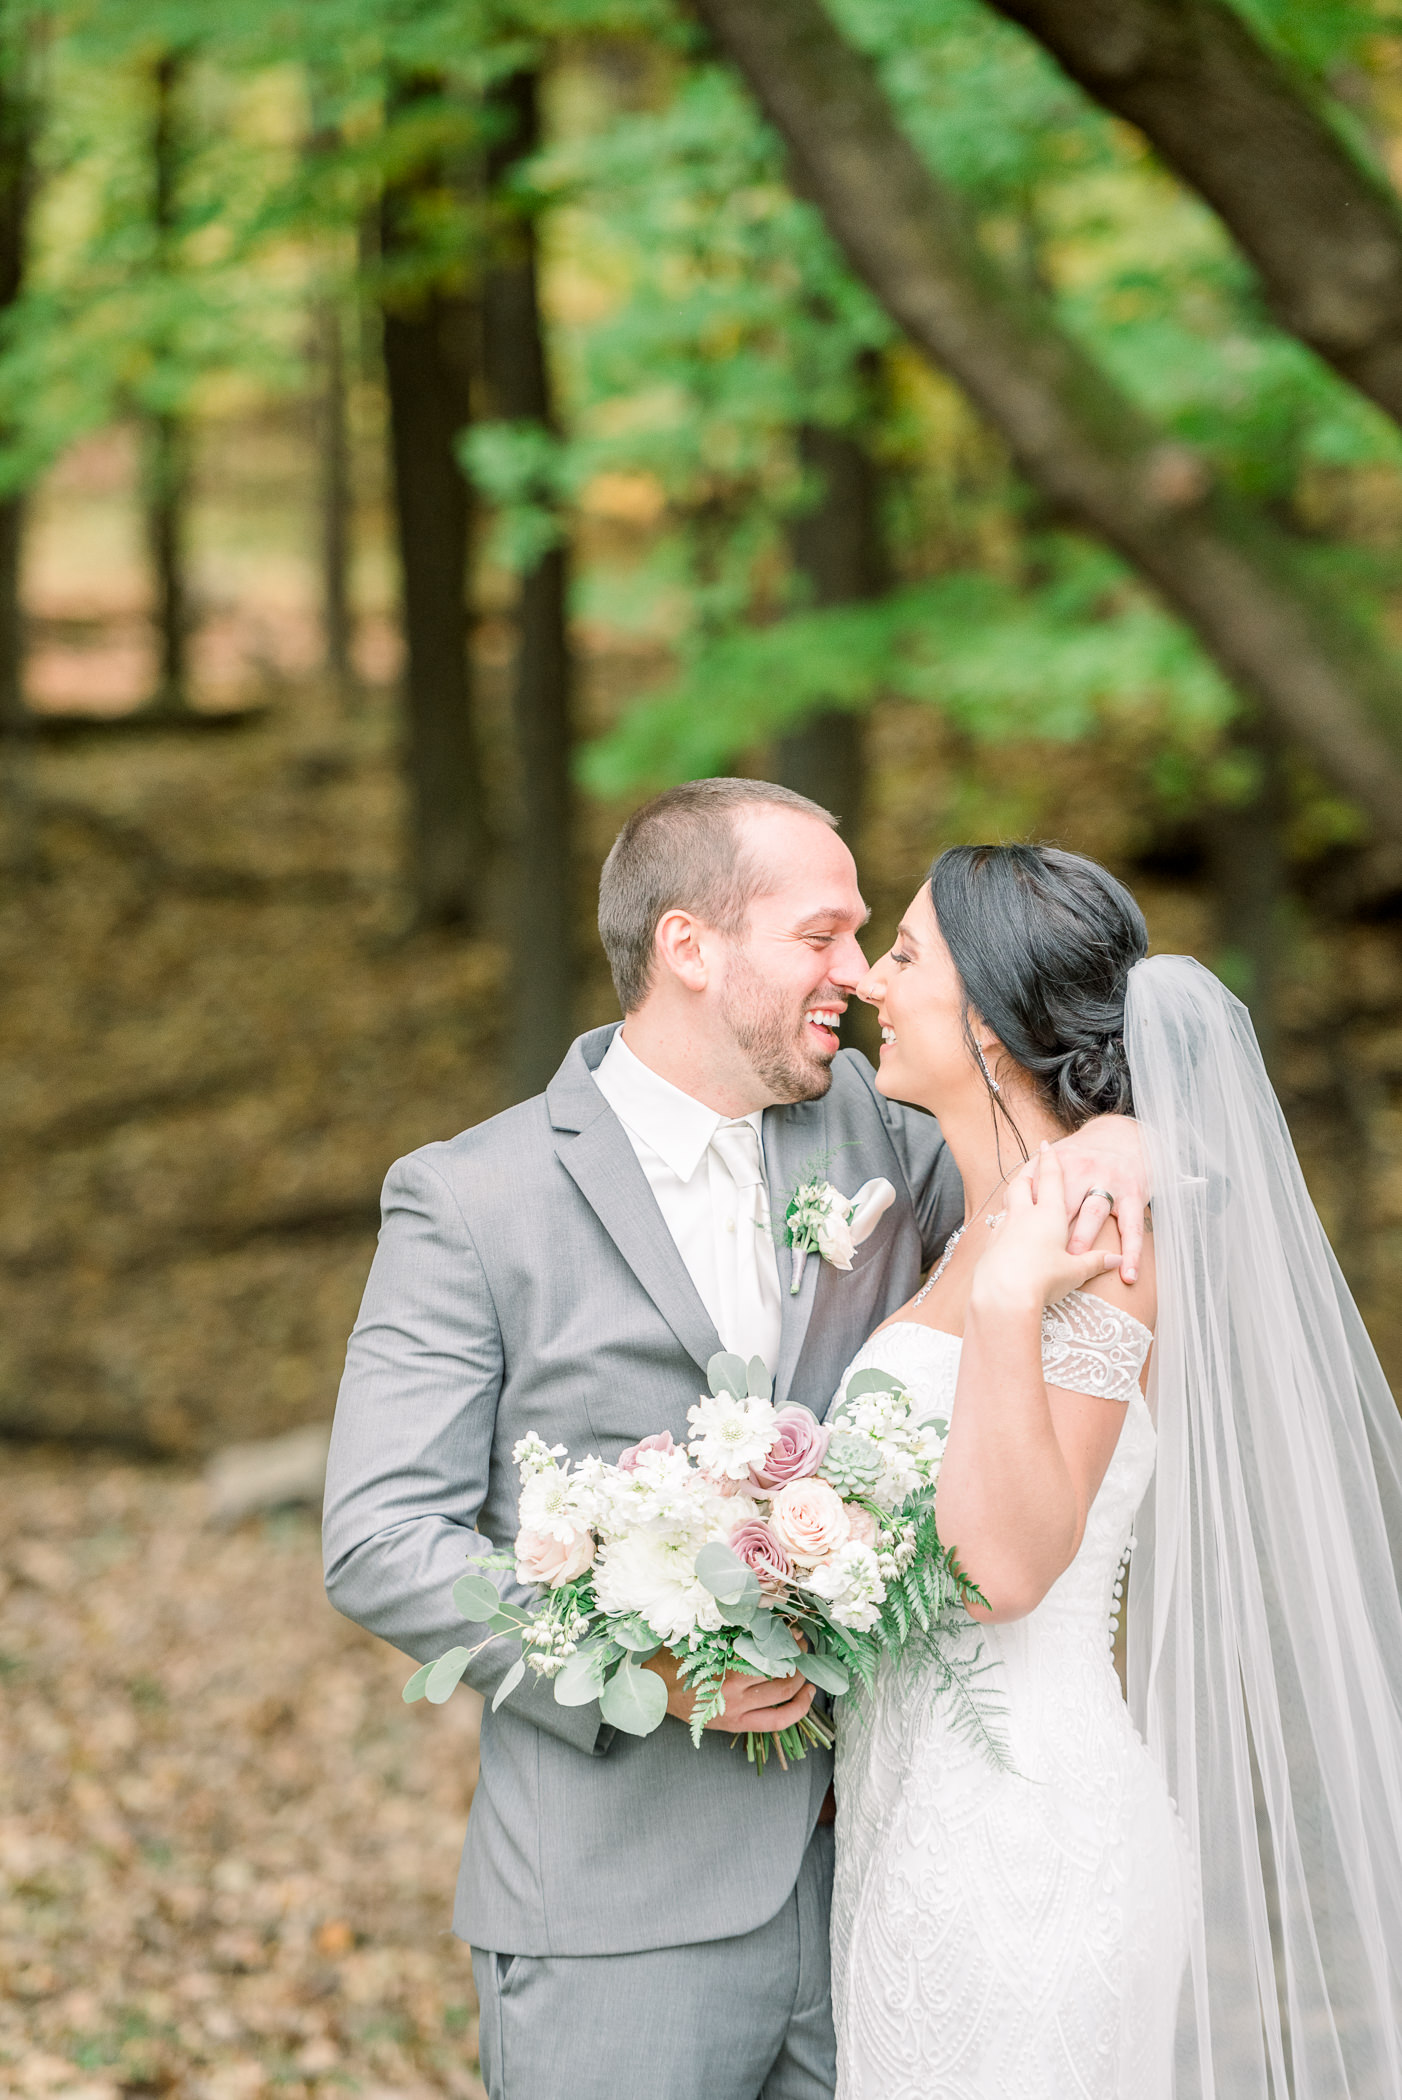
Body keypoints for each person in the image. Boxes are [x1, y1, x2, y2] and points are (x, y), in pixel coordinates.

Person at [321, 782, 1146, 2100]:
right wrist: (641, 1663)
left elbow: (1059, 1149)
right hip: (616, 1918)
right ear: (688, 949)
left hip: (893, 1878)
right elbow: (378, 1540)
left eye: (871, 938)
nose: (858, 976)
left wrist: (1134, 1147)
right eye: (820, 935)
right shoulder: (473, 1199)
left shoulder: (890, 1134)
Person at [831, 842, 1402, 2099]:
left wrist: (1007, 1303)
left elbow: (1000, 1568)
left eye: (907, 954)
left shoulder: (1095, 1235)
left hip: (1021, 1832)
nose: (874, 976)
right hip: (908, 1807)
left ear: (988, 1022)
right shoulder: (981, 1216)